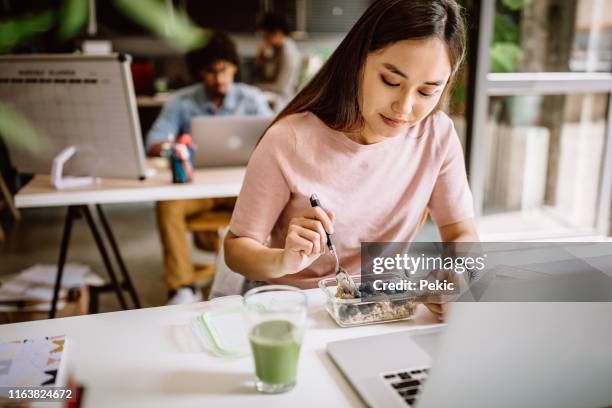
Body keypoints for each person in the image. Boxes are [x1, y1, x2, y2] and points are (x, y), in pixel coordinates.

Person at [224, 0, 479, 321]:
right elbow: (236, 249)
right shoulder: (287, 138)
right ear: (358, 61)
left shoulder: (437, 135)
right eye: (391, 81)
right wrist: (284, 260)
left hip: (384, 308)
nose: (404, 107)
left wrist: (456, 276)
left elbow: (462, 235)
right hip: (296, 310)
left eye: (427, 92)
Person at [146, 31, 273, 305]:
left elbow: (279, 138)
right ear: (198, 73)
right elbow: (153, 143)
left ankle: (259, 279)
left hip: (241, 190)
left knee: (273, 201)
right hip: (197, 190)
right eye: (210, 72)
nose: (219, 79)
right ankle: (181, 288)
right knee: (167, 204)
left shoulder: (251, 99)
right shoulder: (181, 102)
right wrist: (174, 147)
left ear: (234, 67)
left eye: (224, 70)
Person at [254, 12, 302, 106]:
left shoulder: (288, 53)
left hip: (284, 101)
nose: (264, 39)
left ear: (278, 33)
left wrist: (254, 87)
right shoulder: (277, 49)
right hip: (274, 96)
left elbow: (280, 87)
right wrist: (261, 58)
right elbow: (266, 75)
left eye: (266, 35)